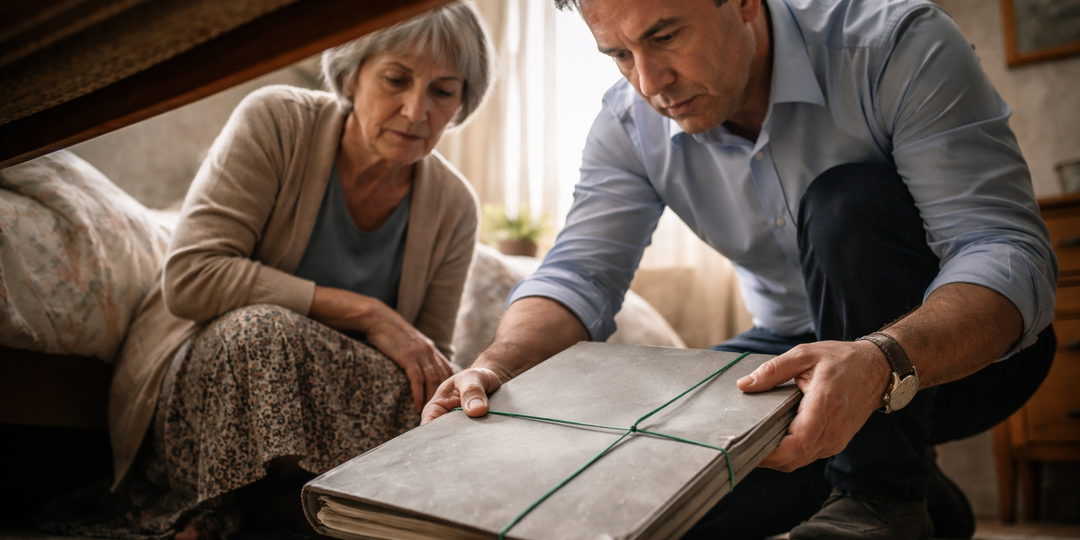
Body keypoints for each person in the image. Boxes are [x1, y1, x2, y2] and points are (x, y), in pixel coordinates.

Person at [422, 0, 1057, 539]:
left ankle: (882, 495)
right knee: (650, 501)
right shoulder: (626, 124)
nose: (648, 82)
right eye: (617, 54)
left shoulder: (894, 44)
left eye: (664, 36)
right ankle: (923, 497)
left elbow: (1001, 249)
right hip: (790, 361)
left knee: (847, 202)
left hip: (955, 361)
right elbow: (579, 275)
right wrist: (497, 366)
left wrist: (879, 359)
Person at [35, 3, 494, 539]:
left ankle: (315, 513)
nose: (417, 111)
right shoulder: (277, 120)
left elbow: (420, 357)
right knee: (263, 333)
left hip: (327, 409)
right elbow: (190, 276)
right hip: (211, 382)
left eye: (443, 91)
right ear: (351, 75)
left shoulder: (456, 205)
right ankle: (210, 509)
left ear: (463, 101)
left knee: (432, 400)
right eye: (396, 79)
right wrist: (365, 312)